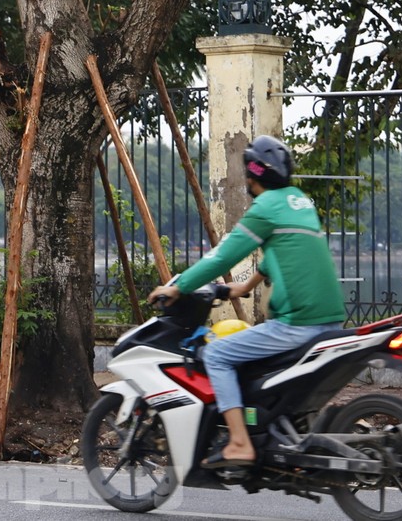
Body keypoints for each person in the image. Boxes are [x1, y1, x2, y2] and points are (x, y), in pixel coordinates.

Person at [147, 134, 345, 468]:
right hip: (331, 321)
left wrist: (180, 286)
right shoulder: (299, 201)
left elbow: (221, 258)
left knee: (218, 353)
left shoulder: (265, 208)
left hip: (297, 323)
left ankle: (239, 442)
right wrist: (244, 286)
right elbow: (289, 252)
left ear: (252, 173)